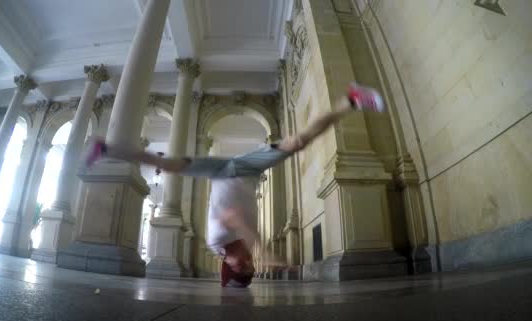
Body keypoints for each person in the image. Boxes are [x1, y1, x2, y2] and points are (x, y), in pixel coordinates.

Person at [84, 83, 384, 287]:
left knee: (167, 164)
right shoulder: (239, 247)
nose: (247, 262)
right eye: (251, 266)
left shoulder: (218, 239)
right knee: (298, 142)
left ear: (225, 262)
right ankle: (352, 100)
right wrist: (264, 251)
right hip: (245, 169)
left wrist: (263, 248)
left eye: (239, 267)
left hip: (219, 172)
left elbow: (235, 218)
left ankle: (107, 150)